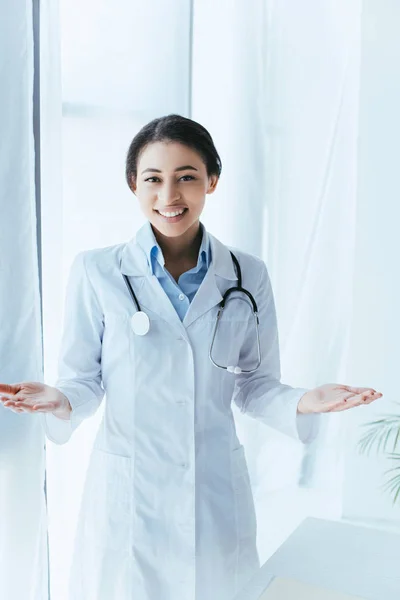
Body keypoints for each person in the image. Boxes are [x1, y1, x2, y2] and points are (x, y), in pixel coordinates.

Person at [0, 114, 383, 600]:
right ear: (133, 185)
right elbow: (85, 379)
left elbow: (254, 385)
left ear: (212, 181)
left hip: (212, 491)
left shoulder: (248, 274)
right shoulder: (98, 271)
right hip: (130, 492)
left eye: (186, 177)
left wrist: (307, 400)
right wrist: (56, 398)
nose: (169, 196)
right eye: (154, 180)